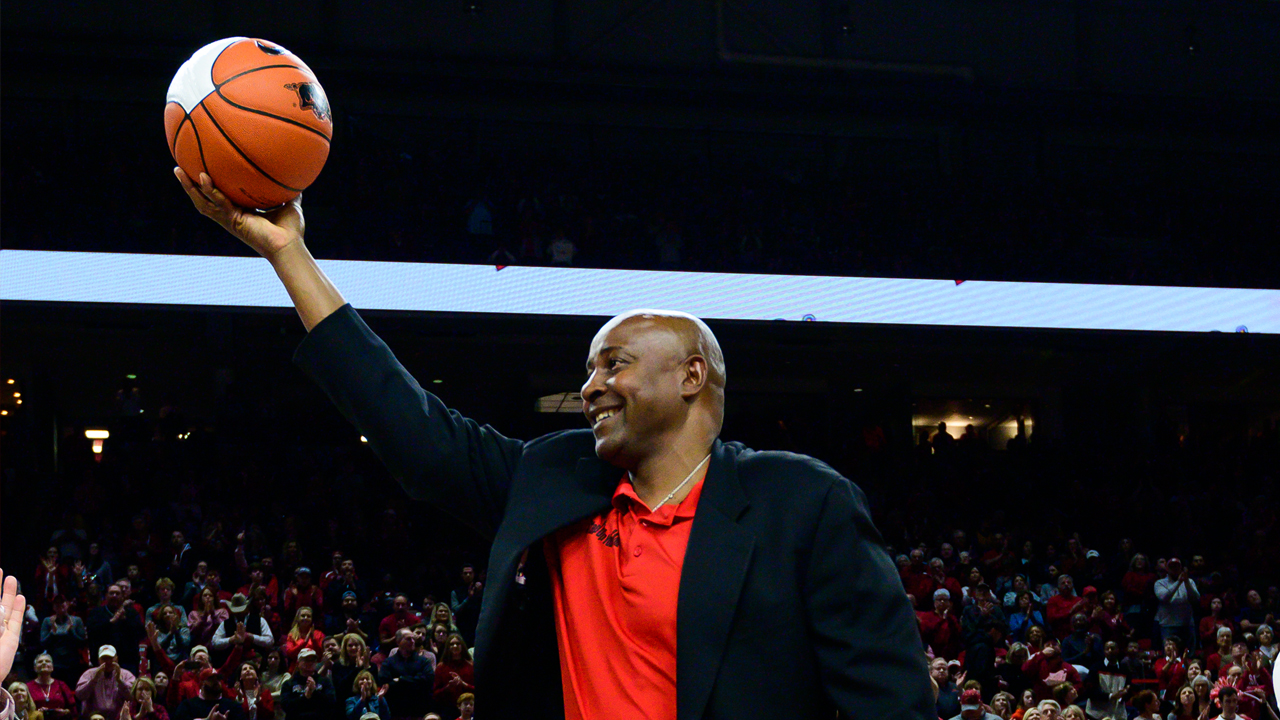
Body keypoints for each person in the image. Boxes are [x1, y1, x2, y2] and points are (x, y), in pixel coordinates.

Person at [175, 168, 935, 719]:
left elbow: (891, 704)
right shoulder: (553, 477)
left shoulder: (800, 502)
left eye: (616, 363)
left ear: (692, 376)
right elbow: (414, 431)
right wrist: (289, 256)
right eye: (588, 368)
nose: (594, 384)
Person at [86, 585, 146, 674]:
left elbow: (141, 634)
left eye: (117, 593)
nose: (114, 596)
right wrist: (112, 621)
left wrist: (125, 620)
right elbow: (92, 633)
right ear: (106, 596)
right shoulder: (96, 613)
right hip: (103, 661)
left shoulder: (131, 613)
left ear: (122, 596)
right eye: (111, 593)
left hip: (127, 661)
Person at [380, 629, 434, 717]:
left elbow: (427, 681)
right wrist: (415, 680)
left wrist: (400, 680)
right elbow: (385, 683)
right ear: (398, 642)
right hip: (396, 710)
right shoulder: (388, 663)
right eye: (408, 639)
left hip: (419, 710)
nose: (413, 642)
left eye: (413, 639)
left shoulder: (424, 661)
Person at [75, 646, 137, 720]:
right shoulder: (89, 674)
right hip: (94, 717)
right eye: (104, 658)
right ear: (99, 660)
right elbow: (79, 695)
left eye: (110, 658)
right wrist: (94, 680)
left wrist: (120, 681)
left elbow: (133, 697)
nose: (107, 661)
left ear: (116, 658)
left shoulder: (126, 675)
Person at [210, 594, 274, 665]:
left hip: (257, 663)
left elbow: (270, 640)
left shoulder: (259, 620)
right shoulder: (226, 623)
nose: (239, 613)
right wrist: (231, 639)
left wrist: (251, 637)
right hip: (232, 664)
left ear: (247, 608)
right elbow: (214, 642)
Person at [39, 597, 88, 685]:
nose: (59, 605)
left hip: (72, 663)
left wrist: (71, 631)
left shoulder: (76, 620)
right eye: (56, 604)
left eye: (62, 603)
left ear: (67, 604)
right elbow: (43, 643)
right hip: (55, 663)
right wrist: (52, 633)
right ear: (53, 607)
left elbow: (82, 643)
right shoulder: (48, 621)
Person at [1155, 559, 1200, 649]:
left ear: (1181, 568)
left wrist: (1186, 582)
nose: (1175, 569)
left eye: (1177, 566)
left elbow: (1195, 598)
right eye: (1172, 566)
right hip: (1168, 625)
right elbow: (1164, 597)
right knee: (1170, 654)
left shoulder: (1190, 581)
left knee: (1189, 654)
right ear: (1167, 569)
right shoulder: (1160, 583)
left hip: (1187, 624)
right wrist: (1179, 582)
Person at [280, 649, 335, 720]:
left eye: (313, 660)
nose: (310, 663)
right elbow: (286, 706)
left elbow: (331, 704)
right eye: (306, 660)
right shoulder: (288, 684)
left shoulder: (325, 681)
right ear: (298, 663)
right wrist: (305, 697)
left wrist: (314, 692)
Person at [171, 669, 244, 720]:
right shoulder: (188, 705)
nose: (216, 682)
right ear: (202, 683)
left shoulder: (233, 706)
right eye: (212, 679)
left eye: (218, 679)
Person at [431, 635, 473, 718]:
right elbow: (435, 694)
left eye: (458, 644)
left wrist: (463, 684)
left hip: (467, 709)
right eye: (452, 644)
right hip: (447, 709)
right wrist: (448, 687)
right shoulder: (441, 667)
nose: (455, 646)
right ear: (448, 647)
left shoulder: (470, 666)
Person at [27, 654, 76, 720]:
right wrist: (37, 712)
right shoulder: (28, 687)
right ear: (35, 668)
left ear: (52, 667)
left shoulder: (61, 685)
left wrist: (64, 712)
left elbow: (72, 709)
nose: (44, 663)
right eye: (40, 662)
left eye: (47, 661)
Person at [284, 608, 325, 672]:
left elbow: (321, 653)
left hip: (315, 668)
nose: (305, 618)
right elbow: (290, 654)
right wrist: (305, 642)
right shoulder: (292, 635)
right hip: (296, 669)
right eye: (303, 616)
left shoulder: (319, 634)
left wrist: (313, 640)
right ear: (298, 618)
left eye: (308, 616)